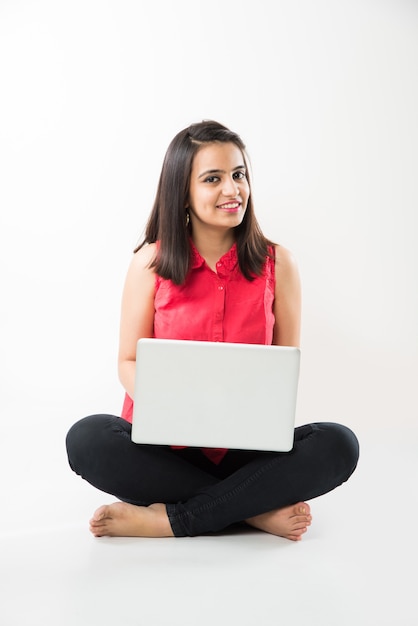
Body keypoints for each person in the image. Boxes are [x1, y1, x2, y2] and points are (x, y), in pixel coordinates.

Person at [66, 120, 359, 541]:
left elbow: (283, 371)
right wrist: (179, 406)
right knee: (87, 438)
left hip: (246, 449)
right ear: (182, 190)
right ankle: (251, 510)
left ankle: (173, 519)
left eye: (239, 175)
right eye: (213, 179)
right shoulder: (150, 263)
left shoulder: (281, 264)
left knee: (340, 444)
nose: (232, 189)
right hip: (166, 449)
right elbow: (127, 361)